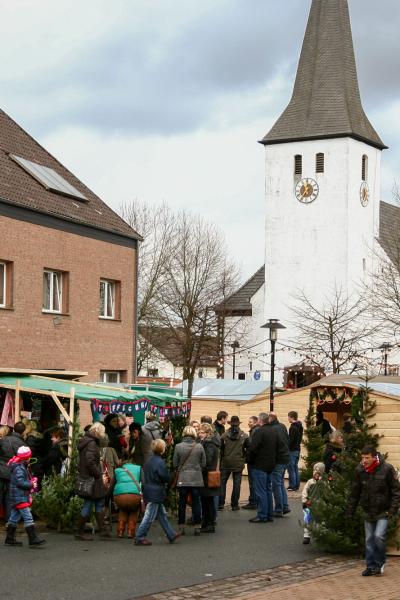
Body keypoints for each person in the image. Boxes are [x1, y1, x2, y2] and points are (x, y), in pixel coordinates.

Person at [347, 446, 400, 577]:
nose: (364, 460)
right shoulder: (359, 470)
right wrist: (350, 512)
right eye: (362, 457)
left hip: (383, 511)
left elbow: (396, 491)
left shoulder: (387, 469)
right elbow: (354, 493)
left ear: (374, 457)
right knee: (369, 539)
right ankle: (370, 566)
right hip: (368, 511)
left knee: (379, 536)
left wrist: (392, 510)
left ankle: (380, 562)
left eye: (367, 457)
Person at [135, 439, 181, 546]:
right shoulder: (160, 462)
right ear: (162, 449)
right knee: (149, 516)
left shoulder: (149, 461)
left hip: (149, 489)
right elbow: (165, 477)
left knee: (161, 515)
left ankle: (171, 534)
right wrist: (170, 477)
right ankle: (140, 536)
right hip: (156, 491)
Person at [75, 422, 110, 540]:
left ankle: (102, 530)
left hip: (88, 477)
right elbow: (90, 462)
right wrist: (98, 474)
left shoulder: (86, 441)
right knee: (89, 504)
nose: (103, 434)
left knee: (97, 502)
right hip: (92, 479)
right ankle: (80, 532)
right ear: (98, 432)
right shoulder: (92, 444)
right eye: (102, 432)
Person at [4, 445, 45, 547]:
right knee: (28, 517)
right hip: (20, 496)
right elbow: (20, 482)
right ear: (26, 457)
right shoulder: (19, 468)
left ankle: (9, 538)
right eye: (29, 457)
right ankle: (33, 539)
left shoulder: (19, 465)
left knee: (14, 517)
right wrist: (31, 484)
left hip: (17, 496)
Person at [173, 425, 206, 536]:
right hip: (196, 478)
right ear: (194, 434)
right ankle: (197, 526)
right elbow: (203, 463)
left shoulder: (178, 446)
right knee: (196, 502)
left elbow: (175, 463)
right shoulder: (199, 446)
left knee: (182, 502)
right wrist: (197, 469)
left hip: (183, 478)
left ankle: (181, 526)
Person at [248, 413, 279, 523]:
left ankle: (262, 515)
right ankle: (269, 514)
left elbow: (253, 448)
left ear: (260, 421)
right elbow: (278, 447)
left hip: (260, 464)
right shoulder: (274, 431)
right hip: (270, 464)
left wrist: (249, 460)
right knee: (267, 490)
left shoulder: (260, 431)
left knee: (261, 491)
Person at [219, 416, 248, 511]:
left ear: (230, 424)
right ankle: (234, 505)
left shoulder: (224, 435)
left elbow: (221, 449)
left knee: (222, 483)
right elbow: (248, 449)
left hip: (226, 462)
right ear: (239, 424)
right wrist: (243, 458)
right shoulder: (244, 436)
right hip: (238, 462)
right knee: (237, 484)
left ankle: (220, 504)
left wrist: (223, 457)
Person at [0, 421, 26, 520]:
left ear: (14, 429)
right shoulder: (23, 444)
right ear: (23, 431)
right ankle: (9, 521)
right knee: (9, 498)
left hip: (1, 471)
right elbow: (25, 461)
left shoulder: (4, 440)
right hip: (12, 473)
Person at [198, 423, 221, 532]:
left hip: (208, 475)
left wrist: (201, 468)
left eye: (202, 432)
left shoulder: (209, 443)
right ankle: (207, 523)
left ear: (207, 433)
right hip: (207, 474)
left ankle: (209, 524)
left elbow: (208, 460)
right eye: (199, 432)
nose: (199, 434)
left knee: (208, 501)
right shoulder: (207, 442)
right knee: (206, 501)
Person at [269, 413, 290, 517]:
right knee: (280, 483)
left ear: (270, 419)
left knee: (276, 484)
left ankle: (278, 509)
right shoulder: (282, 426)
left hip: (278, 459)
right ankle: (285, 506)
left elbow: (273, 446)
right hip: (285, 457)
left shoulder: (273, 429)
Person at [113, 460, 142, 538]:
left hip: (119, 497)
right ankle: (130, 532)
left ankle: (120, 531)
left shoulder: (117, 470)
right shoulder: (139, 468)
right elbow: (143, 482)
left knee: (123, 509)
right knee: (134, 510)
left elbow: (112, 485)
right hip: (134, 496)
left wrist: (107, 498)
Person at [301, 462, 325, 544]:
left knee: (319, 520)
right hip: (309, 504)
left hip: (320, 505)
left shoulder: (324, 483)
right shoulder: (310, 482)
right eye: (314, 472)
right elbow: (304, 491)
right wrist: (304, 501)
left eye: (318, 472)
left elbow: (327, 492)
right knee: (307, 519)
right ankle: (306, 535)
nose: (316, 474)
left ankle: (319, 535)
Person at [243, 416, 259, 510]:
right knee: (254, 482)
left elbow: (252, 447)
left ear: (256, 422)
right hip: (255, 460)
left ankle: (253, 502)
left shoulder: (255, 431)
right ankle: (254, 501)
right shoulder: (255, 430)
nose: (249, 423)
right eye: (249, 422)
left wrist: (248, 458)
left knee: (253, 482)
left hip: (253, 461)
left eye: (251, 422)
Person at [287, 411, 303, 491]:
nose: (288, 418)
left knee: (291, 468)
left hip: (292, 450)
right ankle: (296, 485)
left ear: (291, 417)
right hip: (297, 449)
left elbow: (290, 440)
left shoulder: (292, 427)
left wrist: (286, 447)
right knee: (295, 468)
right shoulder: (300, 426)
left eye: (288, 417)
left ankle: (292, 486)